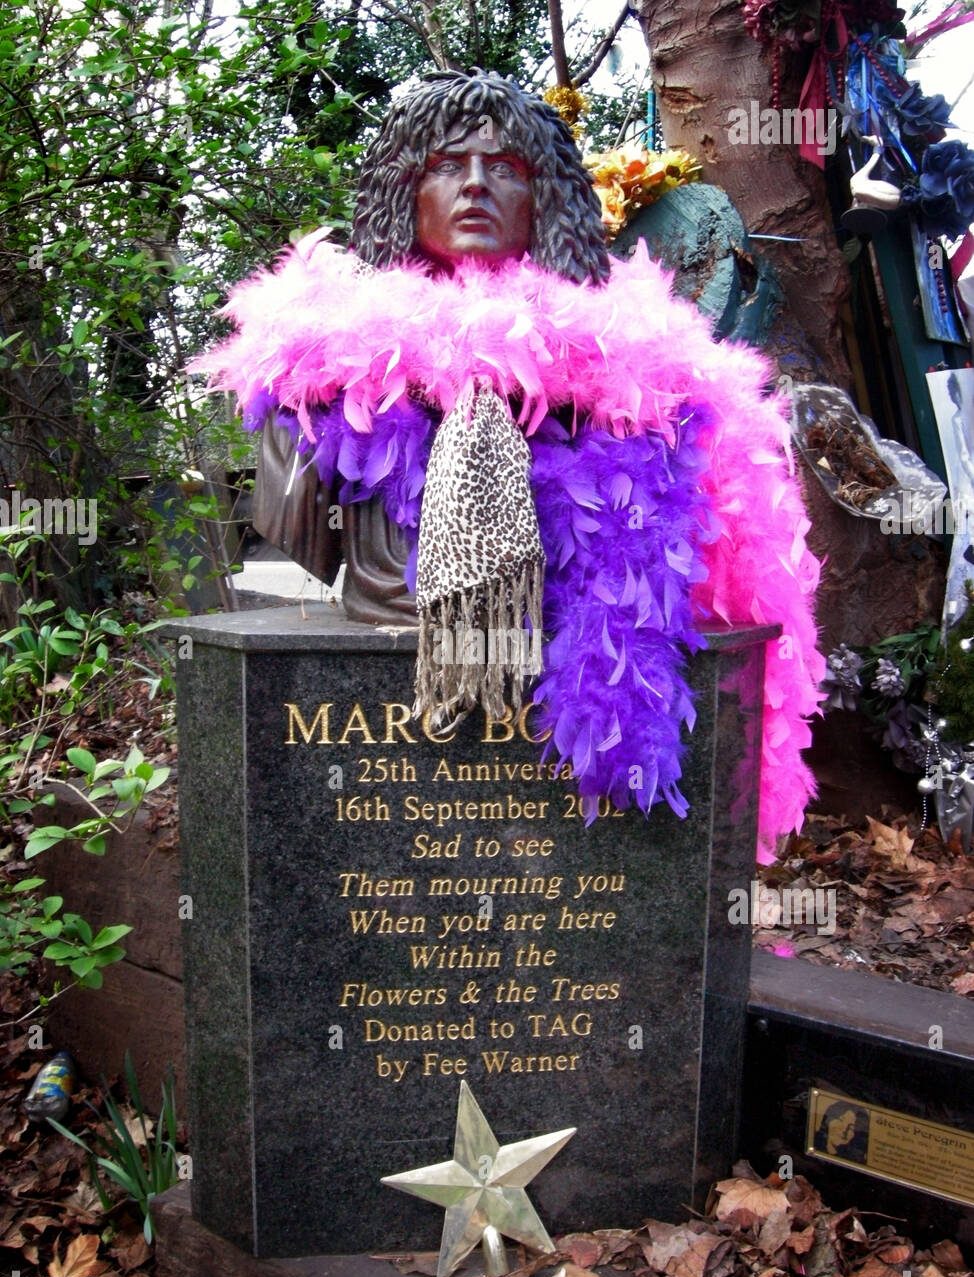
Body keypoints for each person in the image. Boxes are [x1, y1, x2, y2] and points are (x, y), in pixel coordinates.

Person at [192, 70, 824, 859]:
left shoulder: (645, 391)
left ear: (546, 197)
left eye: (508, 169)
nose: (476, 186)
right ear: (404, 190)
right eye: (446, 165)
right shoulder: (312, 393)